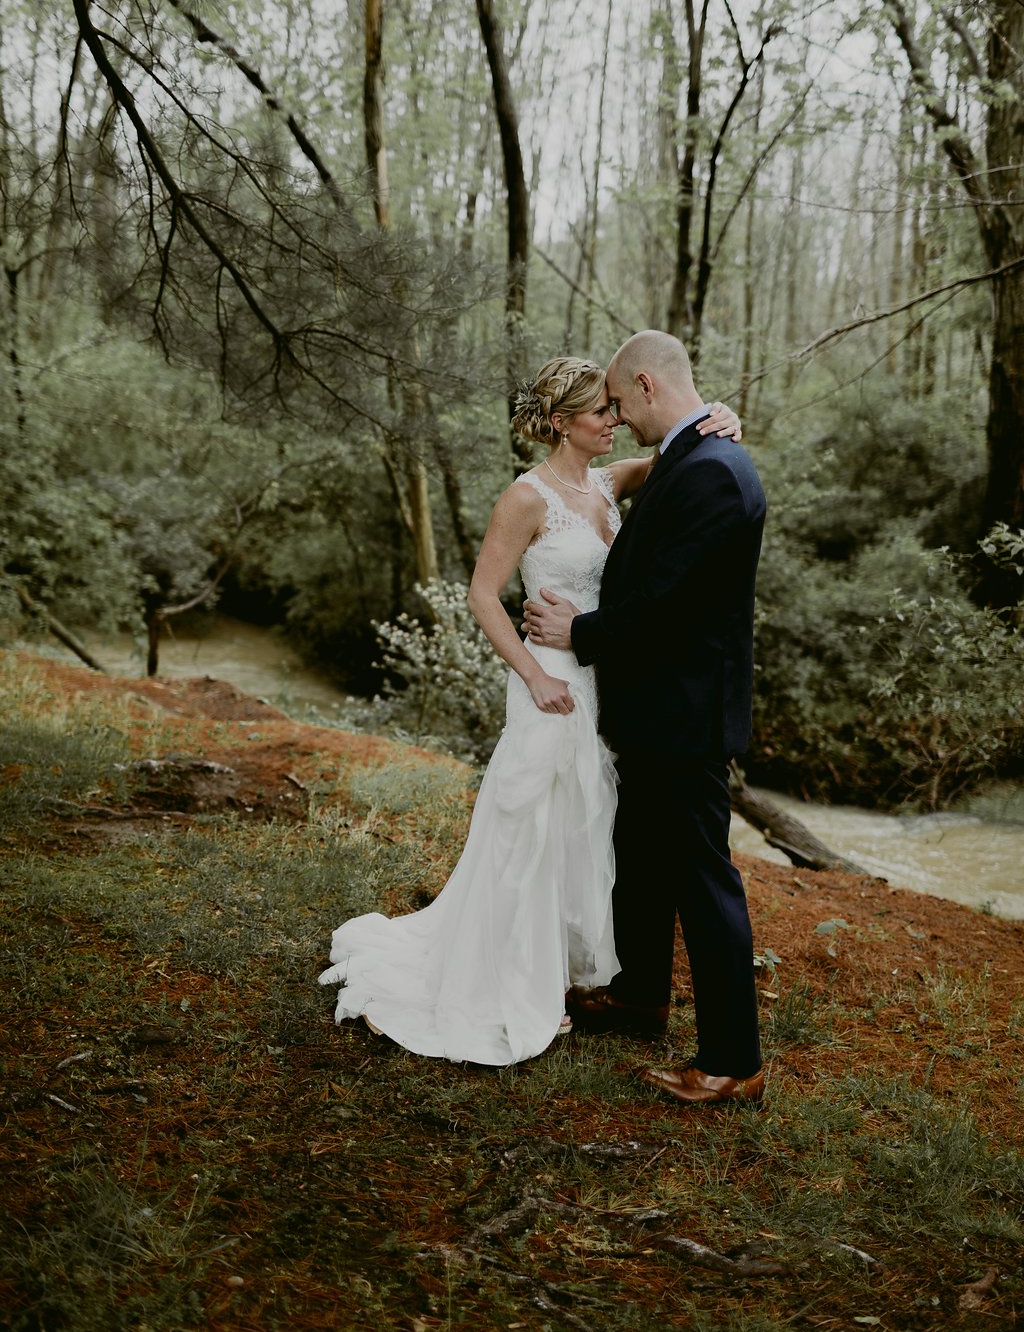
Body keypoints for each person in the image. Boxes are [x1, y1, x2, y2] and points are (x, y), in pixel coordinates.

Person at [318, 355, 741, 1066]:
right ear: (557, 423)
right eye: (598, 411)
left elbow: (678, 448)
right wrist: (532, 675)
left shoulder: (611, 482)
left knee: (588, 823)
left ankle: (571, 969)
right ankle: (513, 976)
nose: (613, 420)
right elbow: (485, 595)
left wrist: (719, 415)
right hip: (547, 678)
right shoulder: (526, 497)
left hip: (601, 678)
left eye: (614, 408)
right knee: (532, 822)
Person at [524, 331, 767, 1105]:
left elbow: (667, 607)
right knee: (642, 856)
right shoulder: (693, 456)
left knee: (702, 876)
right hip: (657, 709)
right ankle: (638, 996)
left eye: (622, 402)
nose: (619, 418)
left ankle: (733, 1060)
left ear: (647, 387)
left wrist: (581, 634)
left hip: (685, 713)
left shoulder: (716, 476)